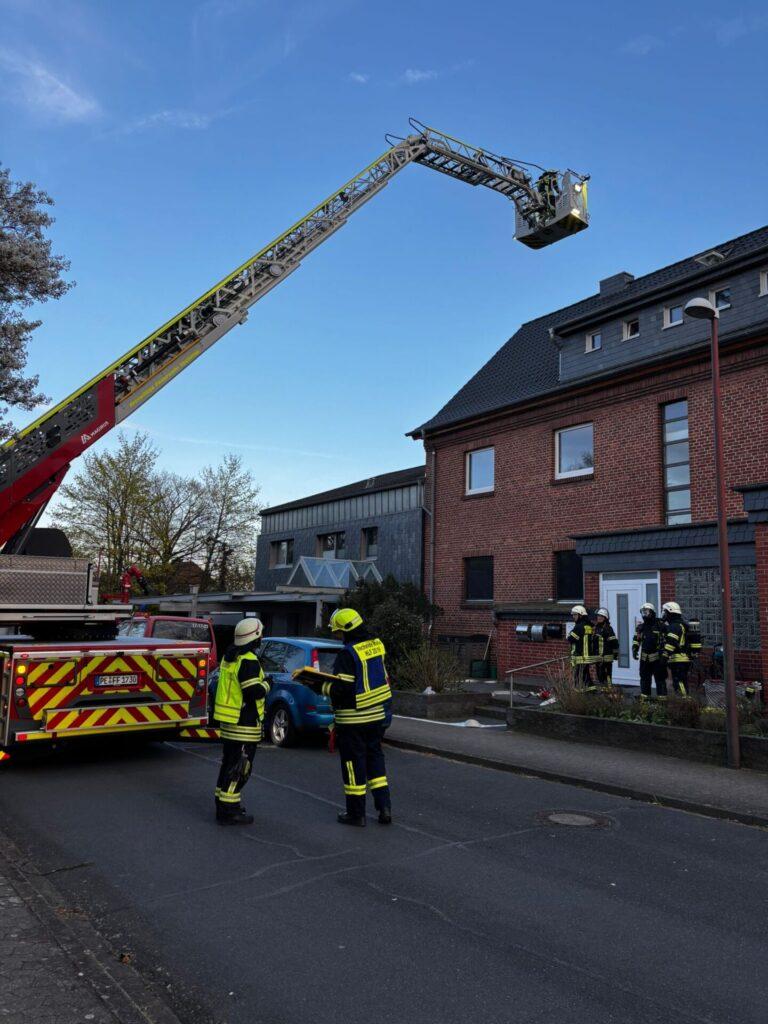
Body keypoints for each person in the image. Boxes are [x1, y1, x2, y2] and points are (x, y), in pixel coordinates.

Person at [304, 608, 392, 827]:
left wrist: (318, 685)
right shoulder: (376, 646)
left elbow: (342, 689)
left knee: (354, 766)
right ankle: (385, 808)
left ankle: (356, 814)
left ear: (347, 630)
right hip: (376, 717)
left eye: (339, 632)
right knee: (376, 762)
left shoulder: (347, 654)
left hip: (353, 720)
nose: (338, 637)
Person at [213, 617, 271, 826]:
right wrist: (267, 685)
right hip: (244, 724)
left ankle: (224, 804)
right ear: (255, 637)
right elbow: (252, 691)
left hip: (229, 721)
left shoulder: (230, 657)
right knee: (241, 767)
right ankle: (229, 811)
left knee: (229, 763)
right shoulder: (248, 660)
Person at [660, 601, 701, 696]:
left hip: (678, 659)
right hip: (683, 658)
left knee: (679, 682)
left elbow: (671, 642)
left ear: (670, 612)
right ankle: (684, 701)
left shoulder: (674, 626)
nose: (664, 614)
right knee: (681, 681)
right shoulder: (681, 624)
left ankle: (685, 702)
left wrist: (664, 656)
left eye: (665, 612)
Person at [632, 602, 667, 697]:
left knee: (660, 679)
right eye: (643, 612)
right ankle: (645, 700)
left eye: (646, 612)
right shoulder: (641, 627)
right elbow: (636, 639)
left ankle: (662, 702)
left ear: (652, 612)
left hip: (657, 659)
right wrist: (634, 649)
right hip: (644, 659)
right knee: (644, 679)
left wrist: (665, 654)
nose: (644, 614)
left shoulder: (660, 625)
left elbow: (668, 640)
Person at [567, 605, 594, 687]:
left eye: (575, 615)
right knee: (586, 675)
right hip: (587, 656)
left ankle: (580, 693)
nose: (573, 617)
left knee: (578, 676)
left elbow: (570, 638)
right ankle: (591, 691)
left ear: (581, 615)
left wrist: (570, 634)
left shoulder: (579, 627)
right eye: (573, 615)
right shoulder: (588, 626)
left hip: (580, 656)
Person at [592, 608, 619, 686]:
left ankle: (608, 693)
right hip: (598, 658)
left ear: (605, 618)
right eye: (598, 616)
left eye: (601, 616)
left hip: (606, 658)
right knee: (600, 677)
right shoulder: (596, 628)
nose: (599, 618)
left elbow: (615, 643)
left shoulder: (608, 629)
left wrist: (615, 654)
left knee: (607, 677)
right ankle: (603, 694)